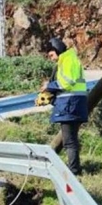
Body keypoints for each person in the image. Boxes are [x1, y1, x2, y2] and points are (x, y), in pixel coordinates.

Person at [43, 38, 88, 176]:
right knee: (71, 139)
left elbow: (67, 83)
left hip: (70, 105)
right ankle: (75, 168)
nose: (51, 59)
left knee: (69, 141)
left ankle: (73, 171)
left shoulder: (67, 60)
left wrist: (49, 86)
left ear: (57, 50)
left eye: (51, 55)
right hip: (74, 103)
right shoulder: (70, 59)